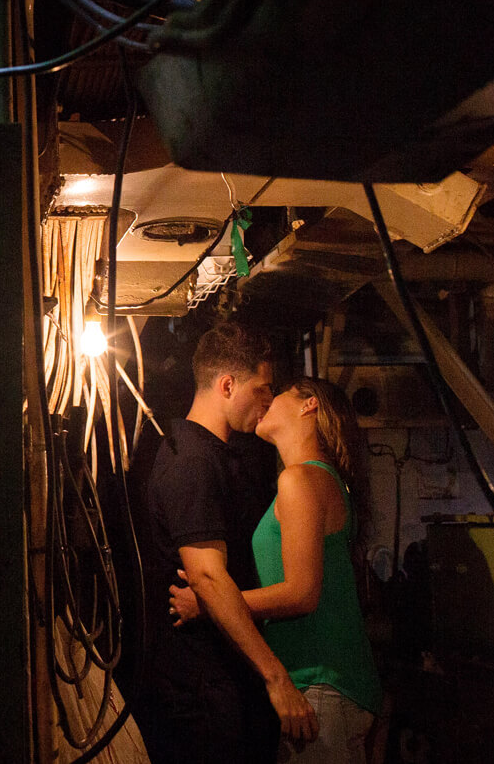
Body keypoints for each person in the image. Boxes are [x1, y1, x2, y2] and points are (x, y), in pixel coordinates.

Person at [170, 377, 382, 763]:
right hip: (335, 687)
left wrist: (209, 603)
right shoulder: (319, 479)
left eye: (278, 391)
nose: (267, 400)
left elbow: (301, 593)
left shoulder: (300, 478)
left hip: (320, 685)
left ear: (308, 405)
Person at [133, 322, 317, 764]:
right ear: (228, 385)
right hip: (201, 694)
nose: (268, 399)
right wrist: (276, 678)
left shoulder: (215, 455)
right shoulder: (191, 460)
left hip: (220, 688)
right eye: (263, 388)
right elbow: (208, 575)